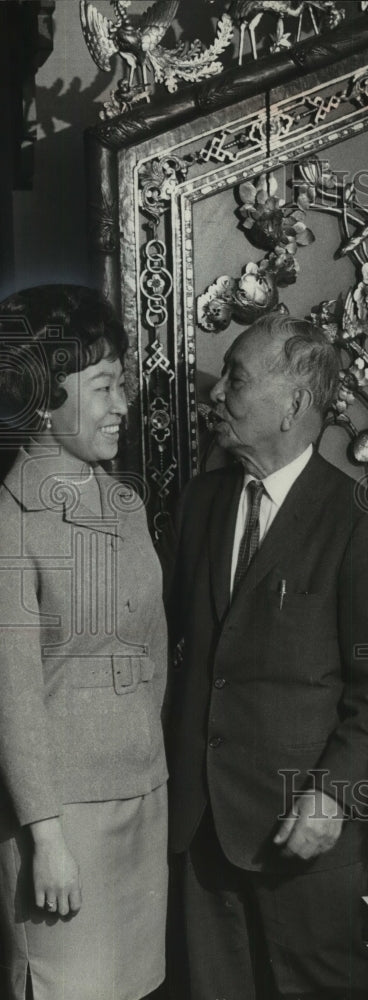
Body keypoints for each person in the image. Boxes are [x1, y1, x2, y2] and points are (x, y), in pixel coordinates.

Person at [168, 314, 368, 999]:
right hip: (200, 827)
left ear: (295, 404)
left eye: (236, 379)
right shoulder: (198, 505)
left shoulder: (364, 521)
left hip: (302, 832)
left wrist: (331, 796)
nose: (216, 395)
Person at [0, 286, 168, 1000]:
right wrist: (46, 837)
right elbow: (12, 700)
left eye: (123, 383)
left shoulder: (126, 505)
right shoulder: (11, 526)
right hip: (62, 832)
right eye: (103, 386)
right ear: (42, 398)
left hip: (142, 806)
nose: (122, 405)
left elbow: (154, 652)